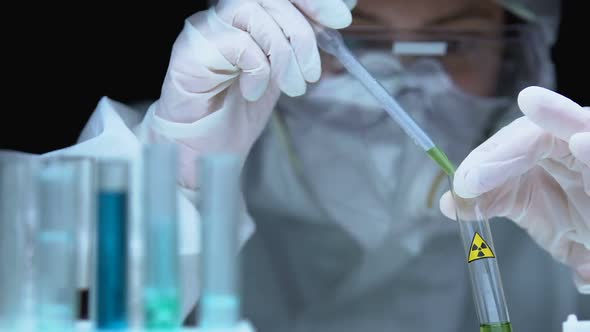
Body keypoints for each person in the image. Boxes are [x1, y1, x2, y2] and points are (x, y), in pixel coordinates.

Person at [15, 0, 589, 330]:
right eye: (355, 38)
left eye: (456, 46)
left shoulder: (565, 202)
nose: (399, 85)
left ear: (516, 55)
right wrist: (169, 189)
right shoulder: (170, 149)